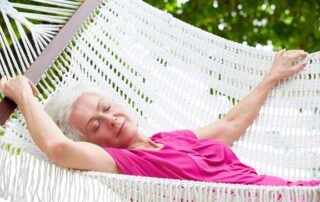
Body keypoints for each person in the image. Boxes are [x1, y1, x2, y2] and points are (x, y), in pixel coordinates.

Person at [0, 49, 319, 186]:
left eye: (107, 108)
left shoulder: (170, 140)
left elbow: (229, 125)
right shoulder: (122, 163)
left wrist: (270, 78)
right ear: (89, 143)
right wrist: (23, 94)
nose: (109, 120)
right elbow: (58, 149)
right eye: (95, 125)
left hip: (293, 189)